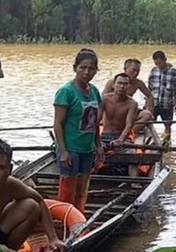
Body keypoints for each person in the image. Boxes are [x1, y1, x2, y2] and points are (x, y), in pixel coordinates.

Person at [53, 48, 105, 214]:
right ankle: (64, 220)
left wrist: (98, 144)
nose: (86, 72)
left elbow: (94, 122)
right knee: (68, 188)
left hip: (87, 148)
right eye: (83, 67)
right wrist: (63, 151)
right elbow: (58, 124)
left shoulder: (94, 91)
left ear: (96, 70)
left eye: (91, 68)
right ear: (75, 68)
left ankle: (78, 218)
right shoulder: (66, 92)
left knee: (82, 187)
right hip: (70, 148)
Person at [103, 58, 154, 132]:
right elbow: (102, 100)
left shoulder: (138, 83)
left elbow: (149, 96)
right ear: (125, 69)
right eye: (133, 70)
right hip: (114, 112)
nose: (136, 73)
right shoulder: (112, 82)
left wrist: (150, 109)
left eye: (138, 71)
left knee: (147, 114)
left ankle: (130, 132)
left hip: (129, 110)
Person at [147, 50, 176, 141]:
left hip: (167, 103)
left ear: (165, 60)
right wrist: (147, 103)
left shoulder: (175, 72)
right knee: (148, 123)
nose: (158, 65)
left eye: (160, 63)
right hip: (154, 103)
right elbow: (149, 89)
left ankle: (167, 141)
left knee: (167, 124)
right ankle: (151, 140)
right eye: (156, 63)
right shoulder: (153, 71)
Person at [101, 73, 139, 146]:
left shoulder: (132, 104)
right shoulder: (105, 99)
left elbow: (129, 125)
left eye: (125, 84)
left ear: (129, 86)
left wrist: (121, 139)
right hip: (105, 135)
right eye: (119, 83)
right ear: (113, 85)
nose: (122, 86)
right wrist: (98, 141)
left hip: (122, 136)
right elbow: (95, 120)